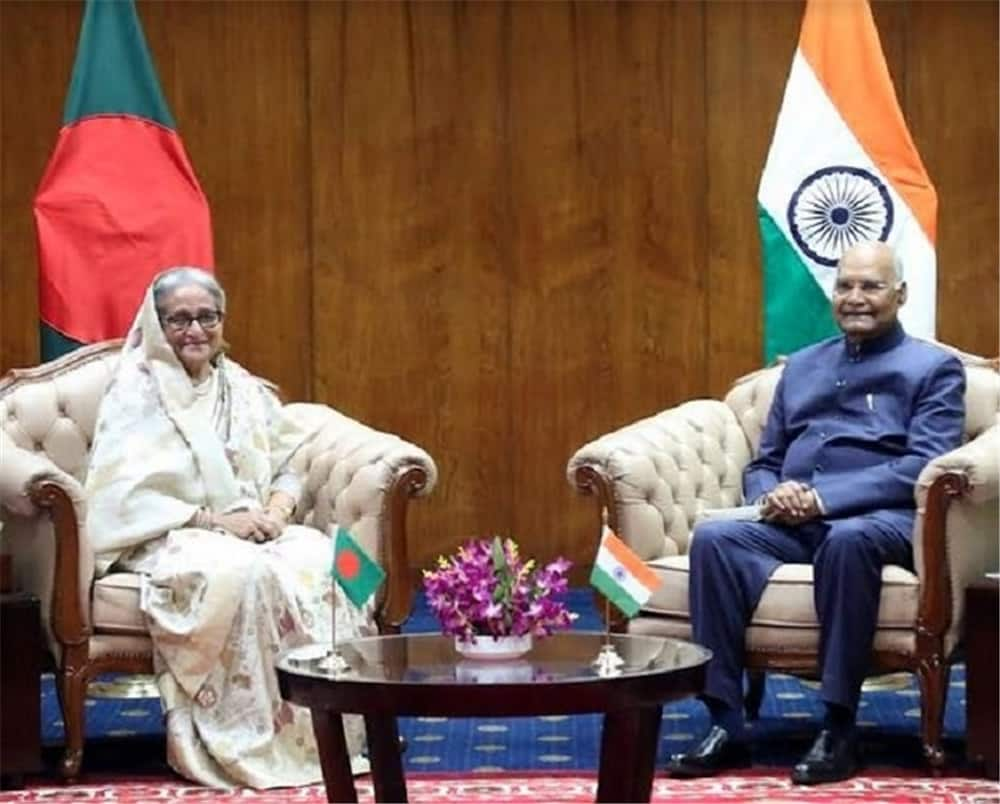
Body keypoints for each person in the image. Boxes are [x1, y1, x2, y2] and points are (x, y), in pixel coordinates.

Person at [667, 241, 965, 785]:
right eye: (845, 286)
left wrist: (824, 499)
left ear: (900, 294)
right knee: (716, 540)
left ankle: (838, 727)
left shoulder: (933, 369)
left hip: (881, 520)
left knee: (847, 542)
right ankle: (726, 723)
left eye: (871, 287)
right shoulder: (801, 367)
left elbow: (921, 465)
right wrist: (771, 495)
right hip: (792, 519)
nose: (856, 298)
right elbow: (766, 461)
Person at [85, 267, 373, 788]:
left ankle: (347, 727)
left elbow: (290, 463)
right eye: (179, 320)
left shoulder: (240, 386)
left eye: (206, 317)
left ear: (222, 321)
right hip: (171, 535)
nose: (194, 330)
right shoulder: (137, 389)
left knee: (340, 561)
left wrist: (279, 512)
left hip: (257, 525)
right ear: (157, 323)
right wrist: (218, 522)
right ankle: (249, 737)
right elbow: (123, 498)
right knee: (246, 576)